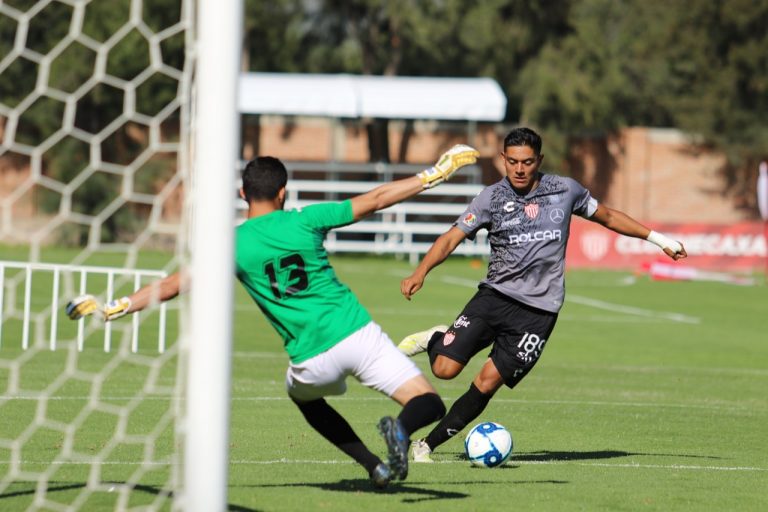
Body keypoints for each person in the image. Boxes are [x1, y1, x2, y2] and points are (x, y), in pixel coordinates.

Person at [66, 145, 480, 488]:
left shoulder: (230, 244)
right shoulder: (307, 220)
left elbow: (174, 284)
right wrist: (433, 174)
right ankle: (402, 432)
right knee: (427, 402)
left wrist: (115, 307)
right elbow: (374, 200)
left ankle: (374, 466)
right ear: (283, 192)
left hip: (310, 357)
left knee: (304, 398)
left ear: (244, 195)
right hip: (357, 334)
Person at [396, 127, 687, 462]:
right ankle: (437, 338)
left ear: (540, 161)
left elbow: (607, 216)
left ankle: (426, 445)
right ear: (503, 159)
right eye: (513, 162)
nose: (520, 169)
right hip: (495, 297)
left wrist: (659, 240)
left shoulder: (564, 190)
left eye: (528, 162)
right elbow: (452, 237)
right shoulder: (490, 198)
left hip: (538, 314)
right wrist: (421, 272)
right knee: (444, 370)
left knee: (487, 384)